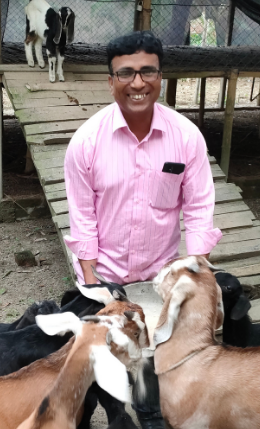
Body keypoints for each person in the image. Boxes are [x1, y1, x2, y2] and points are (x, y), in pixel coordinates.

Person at [63, 31, 222, 285]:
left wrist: (194, 279)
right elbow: (82, 219)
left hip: (164, 275)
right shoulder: (85, 143)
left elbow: (199, 209)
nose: (137, 84)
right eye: (125, 73)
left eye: (147, 71)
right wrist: (96, 289)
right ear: (110, 82)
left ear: (161, 77)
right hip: (103, 273)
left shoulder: (187, 137)